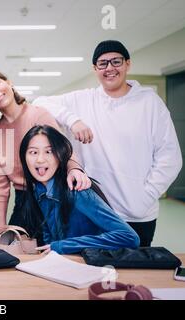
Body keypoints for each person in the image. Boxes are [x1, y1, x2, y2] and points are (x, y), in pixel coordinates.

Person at [33, 40, 182, 246]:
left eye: (116, 61)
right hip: (96, 213)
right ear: (95, 69)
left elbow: (170, 157)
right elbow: (39, 102)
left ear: (127, 64)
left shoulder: (150, 103)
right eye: (102, 63)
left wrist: (144, 197)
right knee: (94, 273)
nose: (109, 68)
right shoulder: (83, 99)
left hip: (137, 215)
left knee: (136, 275)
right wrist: (73, 120)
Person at [0, 67, 92, 230]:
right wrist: (1, 225)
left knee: (56, 252)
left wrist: (75, 169)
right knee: (14, 251)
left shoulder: (38, 115)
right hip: (23, 202)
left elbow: (64, 149)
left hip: (53, 196)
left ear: (9, 83)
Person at [19, 125, 139, 254]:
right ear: (24, 157)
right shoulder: (38, 190)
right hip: (65, 266)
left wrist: (65, 246)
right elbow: (51, 239)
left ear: (59, 155)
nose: (40, 159)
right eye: (33, 152)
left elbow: (130, 237)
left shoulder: (77, 191)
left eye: (49, 151)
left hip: (91, 266)